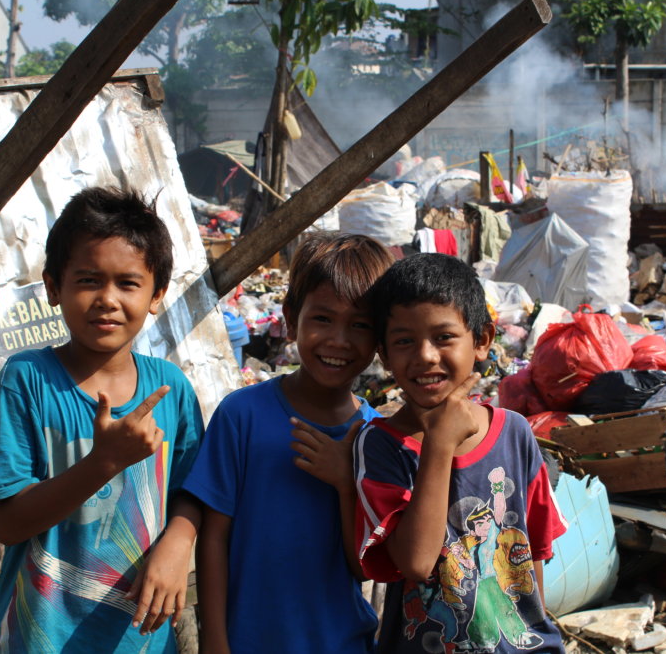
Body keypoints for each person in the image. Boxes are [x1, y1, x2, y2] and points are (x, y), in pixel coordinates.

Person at [0, 187, 204, 653]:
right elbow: (8, 525)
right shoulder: (28, 381)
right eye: (87, 280)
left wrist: (179, 542)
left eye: (128, 283)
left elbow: (193, 492)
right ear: (53, 288)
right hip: (44, 636)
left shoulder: (171, 388)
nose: (107, 299)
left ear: (157, 294)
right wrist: (103, 464)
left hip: (141, 638)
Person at [184, 232, 395, 654]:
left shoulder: (376, 438)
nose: (339, 340)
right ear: (291, 317)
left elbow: (364, 567)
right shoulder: (242, 415)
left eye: (360, 325)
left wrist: (344, 482)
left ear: (379, 339)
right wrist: (215, 640)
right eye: (323, 319)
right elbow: (214, 539)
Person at [354, 253, 567, 653]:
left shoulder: (514, 433)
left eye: (443, 337)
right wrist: (439, 441)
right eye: (404, 341)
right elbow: (416, 562)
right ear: (383, 354)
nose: (426, 356)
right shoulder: (380, 445)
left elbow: (534, 550)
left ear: (482, 341)